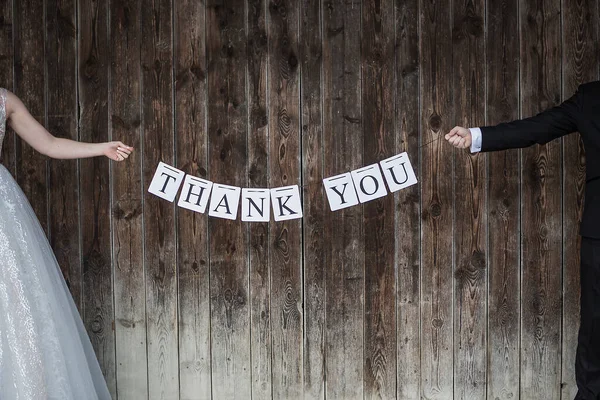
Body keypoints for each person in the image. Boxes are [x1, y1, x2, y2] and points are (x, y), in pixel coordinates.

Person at [445, 80, 600, 399]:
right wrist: (476, 136)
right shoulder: (592, 97)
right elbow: (539, 127)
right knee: (595, 331)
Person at [0, 87, 133, 399]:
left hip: (2, 214)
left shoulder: (5, 101)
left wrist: (101, 148)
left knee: (17, 310)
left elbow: (49, 144)